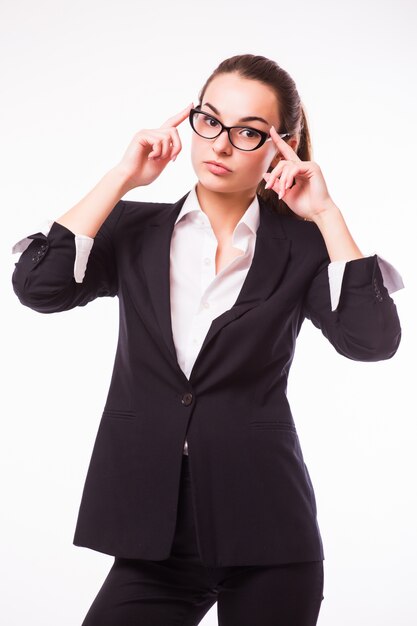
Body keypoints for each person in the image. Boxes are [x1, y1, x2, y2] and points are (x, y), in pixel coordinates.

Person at [11, 54, 403, 626]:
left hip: (271, 534)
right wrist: (122, 176)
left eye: (249, 132)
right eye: (210, 121)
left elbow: (371, 341)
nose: (220, 144)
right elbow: (40, 289)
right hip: (155, 538)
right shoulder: (133, 229)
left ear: (282, 146)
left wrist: (326, 215)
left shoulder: (302, 246)